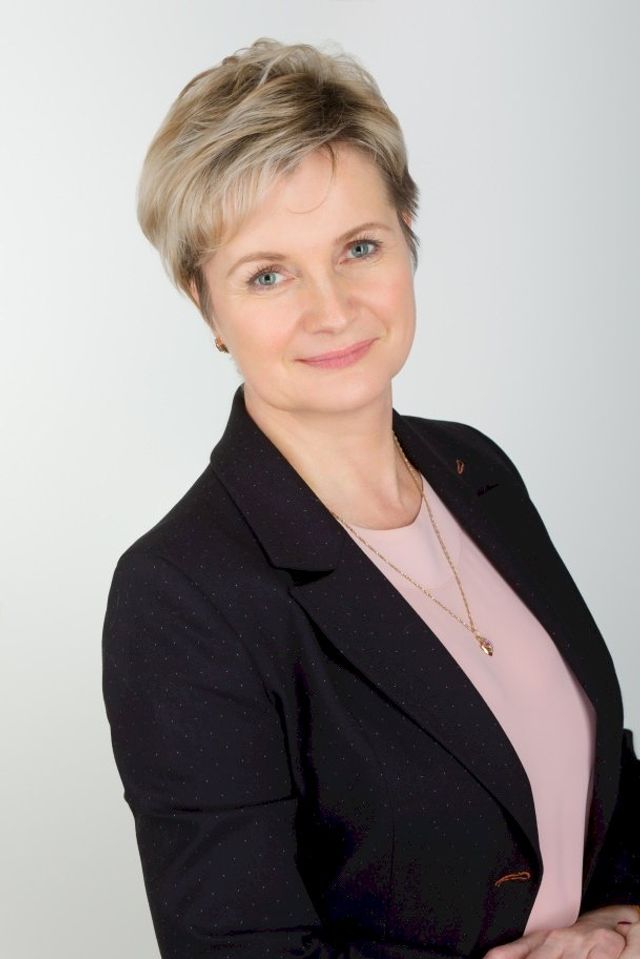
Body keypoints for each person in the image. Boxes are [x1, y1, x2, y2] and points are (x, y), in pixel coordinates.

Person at [101, 37, 640, 959]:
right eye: (268, 273)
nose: (333, 308)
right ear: (205, 304)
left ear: (407, 237)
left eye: (358, 247)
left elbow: (605, 777)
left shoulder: (477, 470)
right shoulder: (183, 595)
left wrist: (625, 923)